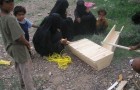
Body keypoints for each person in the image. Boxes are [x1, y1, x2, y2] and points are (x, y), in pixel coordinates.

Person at [0, 0, 36, 90]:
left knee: (19, 66)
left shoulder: (2, 15)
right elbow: (19, 38)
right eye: (8, 2)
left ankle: (22, 85)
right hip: (18, 47)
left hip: (9, 46)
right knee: (26, 70)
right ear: (1, 4)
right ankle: (29, 88)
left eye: (12, 1)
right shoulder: (10, 18)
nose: (12, 4)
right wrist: (27, 43)